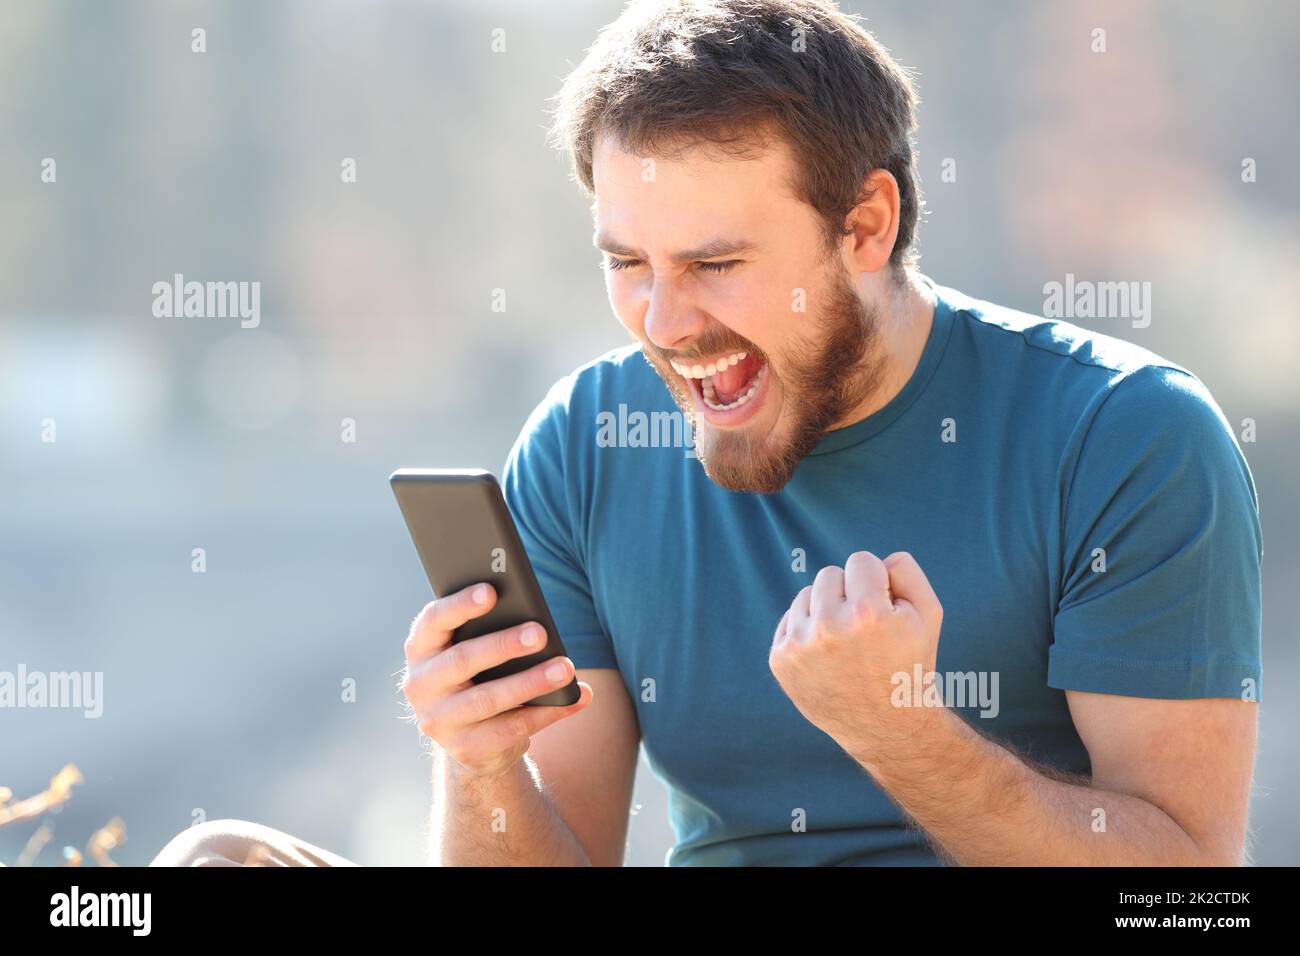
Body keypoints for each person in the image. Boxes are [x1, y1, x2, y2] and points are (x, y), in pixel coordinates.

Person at [153, 0, 1261, 868]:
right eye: (626, 263)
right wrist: (479, 760)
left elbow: (1185, 900)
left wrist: (905, 731)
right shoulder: (589, 445)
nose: (665, 324)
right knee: (207, 864)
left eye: (716, 266)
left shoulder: (1124, 437)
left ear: (865, 225)